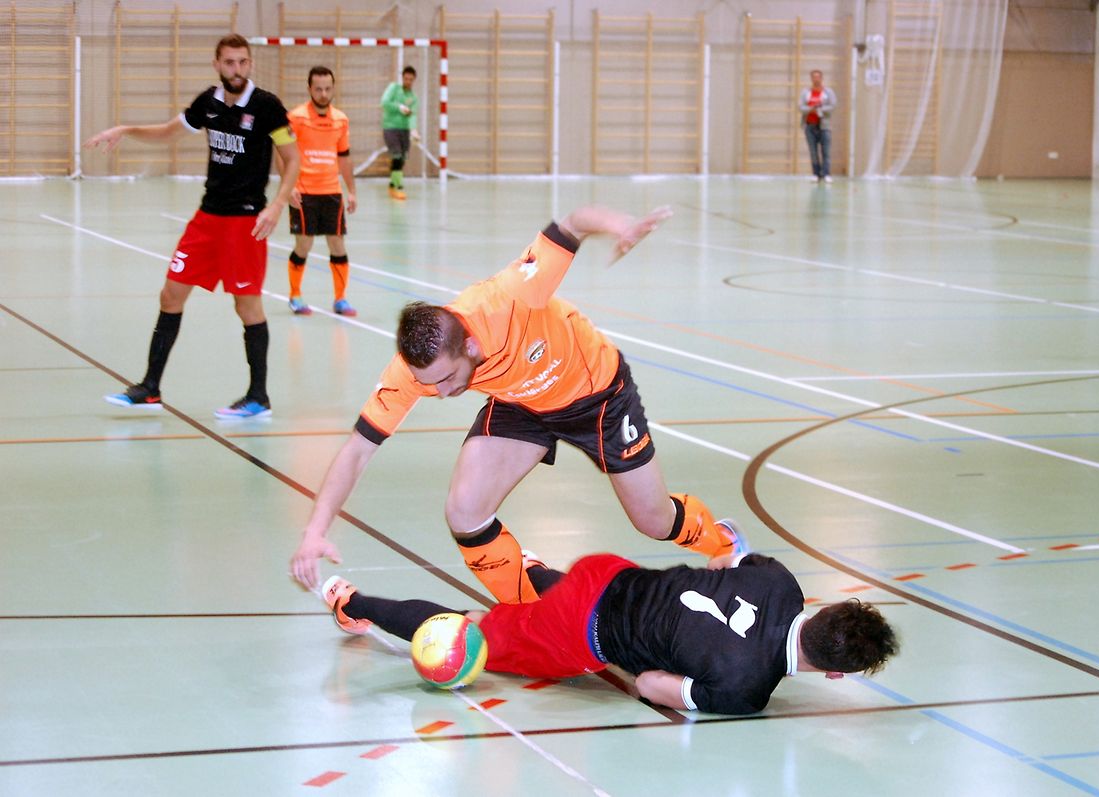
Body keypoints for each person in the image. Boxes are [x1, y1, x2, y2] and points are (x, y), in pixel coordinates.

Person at [289, 205, 748, 605]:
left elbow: (573, 222)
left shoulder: (513, 294)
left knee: (653, 520)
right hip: (521, 402)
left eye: (448, 379)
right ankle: (528, 609)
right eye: (430, 384)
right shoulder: (415, 372)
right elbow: (357, 450)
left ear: (469, 344)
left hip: (598, 395)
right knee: (464, 510)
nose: (444, 393)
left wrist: (620, 224)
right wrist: (315, 531)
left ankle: (722, 541)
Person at [322, 549, 899, 716]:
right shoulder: (747, 690)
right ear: (833, 671)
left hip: (611, 570)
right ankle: (354, 602)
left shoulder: (783, 585)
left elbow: (729, 561)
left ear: (822, 611)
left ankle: (537, 571)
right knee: (467, 636)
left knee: (577, 588)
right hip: (583, 632)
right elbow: (650, 684)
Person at [86, 33, 299, 419]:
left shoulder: (267, 106)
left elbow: (291, 158)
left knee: (246, 304)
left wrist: (279, 204)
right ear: (217, 64)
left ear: (249, 64)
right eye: (229, 62)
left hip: (247, 220)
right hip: (207, 218)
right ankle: (150, 388)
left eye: (243, 62)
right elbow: (169, 131)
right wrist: (126, 130)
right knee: (171, 294)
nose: (236, 69)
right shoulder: (209, 102)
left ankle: (258, 397)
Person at [281, 65, 358, 317]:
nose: (323, 94)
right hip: (304, 192)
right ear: (309, 89)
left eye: (327, 88)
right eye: (318, 89)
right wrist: (288, 187)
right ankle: (295, 296)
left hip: (331, 192)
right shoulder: (296, 118)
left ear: (333, 88)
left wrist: (352, 191)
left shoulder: (341, 120)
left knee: (337, 244)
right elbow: (282, 154)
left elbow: (344, 158)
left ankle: (340, 299)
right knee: (304, 244)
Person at [379, 65, 421, 200]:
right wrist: (399, 107)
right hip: (390, 128)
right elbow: (384, 102)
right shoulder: (393, 88)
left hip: (404, 130)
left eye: (411, 79)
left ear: (414, 80)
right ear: (402, 77)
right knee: (396, 154)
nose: (408, 81)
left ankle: (392, 184)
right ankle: (399, 186)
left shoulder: (413, 97)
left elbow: (412, 115)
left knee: (403, 157)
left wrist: (414, 130)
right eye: (406, 78)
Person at [799, 70, 837, 182]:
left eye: (818, 77)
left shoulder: (828, 92)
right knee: (813, 151)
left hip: (824, 126)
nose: (816, 79)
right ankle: (816, 173)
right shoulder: (806, 92)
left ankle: (826, 173)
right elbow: (801, 107)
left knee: (826, 151)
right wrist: (811, 109)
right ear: (811, 79)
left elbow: (833, 105)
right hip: (810, 125)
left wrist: (820, 109)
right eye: (814, 77)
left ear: (821, 78)